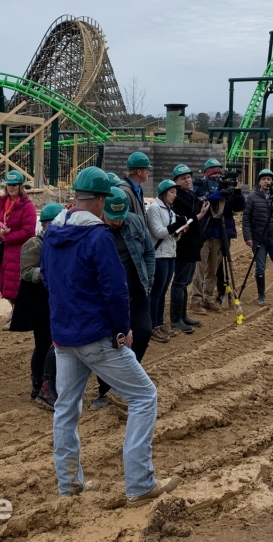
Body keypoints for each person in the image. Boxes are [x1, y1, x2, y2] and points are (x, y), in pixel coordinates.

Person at [42, 167, 180, 504]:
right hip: (96, 337)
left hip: (64, 337)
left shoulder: (53, 232)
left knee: (66, 409)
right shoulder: (98, 236)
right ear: (102, 199)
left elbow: (48, 278)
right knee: (144, 397)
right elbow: (115, 290)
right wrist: (122, 328)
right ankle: (140, 483)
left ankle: (69, 487)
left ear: (76, 197)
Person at [91, 188, 156, 411]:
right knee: (112, 343)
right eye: (113, 218)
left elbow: (148, 251)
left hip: (137, 291)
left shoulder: (136, 222)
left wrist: (149, 279)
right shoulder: (96, 231)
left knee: (144, 331)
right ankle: (105, 391)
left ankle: (125, 380)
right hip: (109, 298)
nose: (117, 223)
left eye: (121, 218)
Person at [14, 202, 65, 410]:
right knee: (50, 344)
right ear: (44, 225)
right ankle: (42, 385)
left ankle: (43, 385)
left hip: (54, 300)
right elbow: (26, 272)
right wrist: (46, 274)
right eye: (51, 224)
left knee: (46, 345)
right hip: (38, 302)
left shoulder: (60, 243)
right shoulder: (35, 244)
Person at [191, 159, 245, 313]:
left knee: (212, 271)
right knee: (199, 270)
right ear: (207, 173)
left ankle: (208, 299)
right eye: (213, 172)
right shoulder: (200, 185)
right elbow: (198, 200)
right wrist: (216, 194)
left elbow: (240, 206)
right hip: (203, 234)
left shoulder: (226, 186)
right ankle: (195, 301)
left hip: (220, 235)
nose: (216, 175)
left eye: (219, 172)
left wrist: (236, 191)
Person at [169, 164, 210, 333]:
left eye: (188, 177)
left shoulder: (191, 195)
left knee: (186, 282)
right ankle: (175, 318)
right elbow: (184, 222)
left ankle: (183, 315)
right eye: (183, 178)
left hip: (193, 244)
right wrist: (200, 215)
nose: (188, 180)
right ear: (176, 182)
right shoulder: (178, 199)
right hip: (183, 245)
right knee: (179, 282)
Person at [0, 170, 38, 307]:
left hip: (19, 252)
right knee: (5, 284)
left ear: (20, 186)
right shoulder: (2, 204)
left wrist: (7, 236)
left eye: (14, 184)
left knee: (16, 284)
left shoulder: (27, 207)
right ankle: (14, 310)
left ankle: (18, 312)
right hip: (4, 251)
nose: (11, 187)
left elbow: (28, 231)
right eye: (9, 184)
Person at [242, 169, 273, 305]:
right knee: (260, 267)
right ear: (259, 181)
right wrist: (248, 237)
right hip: (258, 238)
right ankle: (261, 295)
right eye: (264, 179)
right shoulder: (252, 198)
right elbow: (246, 219)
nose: (266, 181)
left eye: (269, 179)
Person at [145, 179, 180, 343]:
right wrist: (175, 227)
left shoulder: (169, 210)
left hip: (170, 253)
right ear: (164, 192)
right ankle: (153, 325)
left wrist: (180, 228)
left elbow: (172, 233)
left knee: (163, 290)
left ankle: (159, 322)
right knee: (157, 291)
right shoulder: (154, 209)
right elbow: (158, 232)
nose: (175, 195)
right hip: (159, 255)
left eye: (175, 192)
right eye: (172, 192)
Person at [119, 152, 151, 225]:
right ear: (139, 172)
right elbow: (125, 221)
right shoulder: (125, 191)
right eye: (146, 169)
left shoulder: (138, 188)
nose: (148, 172)